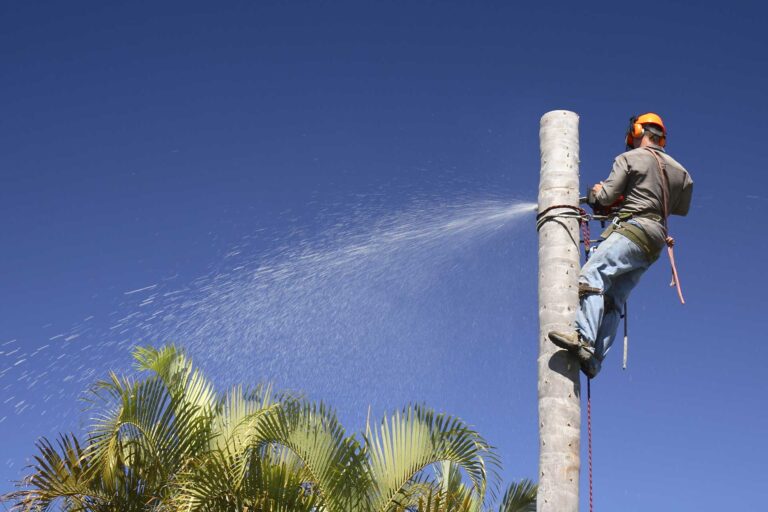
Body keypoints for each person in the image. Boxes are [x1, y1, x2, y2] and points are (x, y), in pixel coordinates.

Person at [548, 113, 694, 378]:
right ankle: (594, 360)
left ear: (638, 131)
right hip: (654, 241)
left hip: (633, 230)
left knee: (592, 275)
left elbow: (605, 198)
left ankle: (583, 339)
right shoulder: (681, 173)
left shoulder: (628, 159)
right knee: (614, 299)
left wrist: (597, 192)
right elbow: (674, 207)